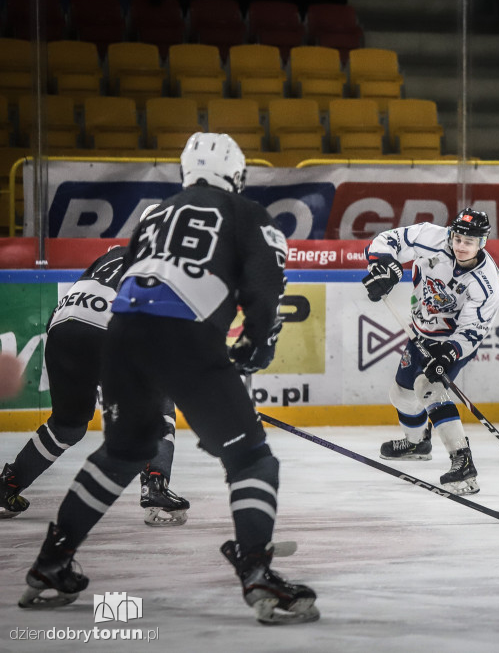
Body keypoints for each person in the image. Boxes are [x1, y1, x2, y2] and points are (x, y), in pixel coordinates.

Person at [18, 133, 318, 625]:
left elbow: (139, 279)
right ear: (236, 175)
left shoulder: (154, 216)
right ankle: (257, 572)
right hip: (185, 339)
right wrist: (253, 349)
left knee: (120, 454)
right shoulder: (248, 215)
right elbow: (265, 294)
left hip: (120, 338)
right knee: (252, 459)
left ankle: (51, 564)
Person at [2, 237, 190, 527]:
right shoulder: (172, 263)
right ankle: (155, 484)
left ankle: (8, 484)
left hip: (63, 324)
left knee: (68, 426)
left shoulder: (114, 253)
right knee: (161, 400)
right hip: (108, 326)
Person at [361, 208, 499, 496]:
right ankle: (417, 443)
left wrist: (449, 353)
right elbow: (384, 242)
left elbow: (474, 329)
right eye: (458, 238)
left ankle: (462, 461)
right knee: (400, 395)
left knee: (428, 385)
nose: (461, 246)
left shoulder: (486, 282)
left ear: (482, 243)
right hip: (420, 331)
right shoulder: (429, 236)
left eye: (469, 242)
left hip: (453, 341)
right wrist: (384, 267)